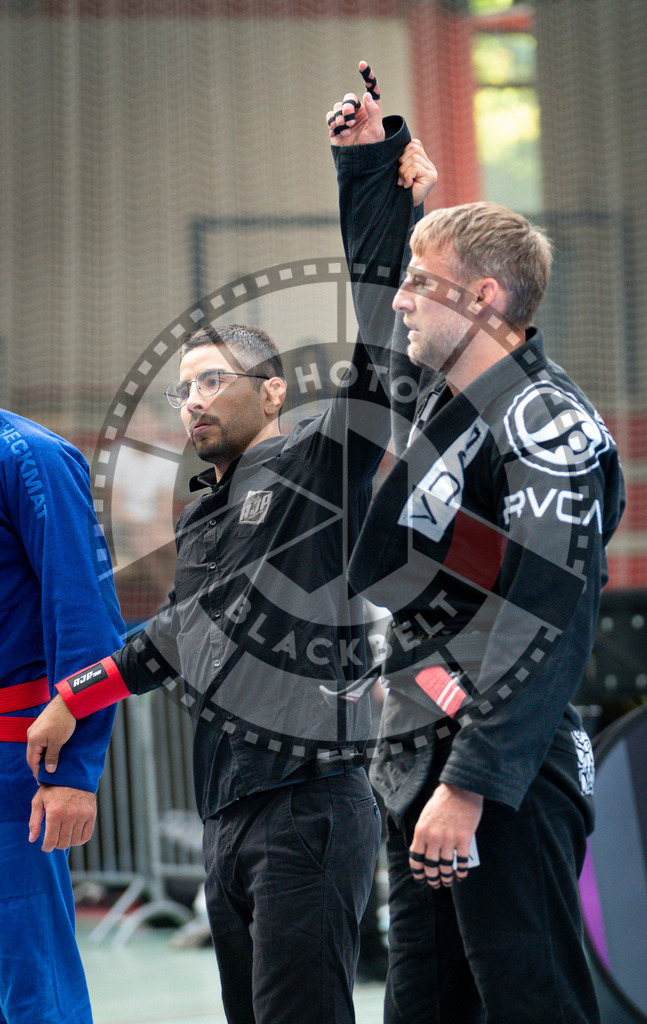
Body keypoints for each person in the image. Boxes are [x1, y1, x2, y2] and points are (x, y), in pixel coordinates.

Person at [27, 68, 437, 1024]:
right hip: (230, 812)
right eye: (183, 388)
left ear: (275, 391)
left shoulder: (316, 467)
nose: (195, 400)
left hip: (309, 801)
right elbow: (185, 628)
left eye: (216, 381)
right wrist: (79, 691)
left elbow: (381, 347)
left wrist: (365, 169)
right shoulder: (206, 507)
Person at [328, 70, 626, 1023]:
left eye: (429, 284)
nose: (404, 299)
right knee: (425, 1005)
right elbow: (384, 299)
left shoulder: (544, 424)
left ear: (486, 296)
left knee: (528, 1003)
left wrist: (467, 786)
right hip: (421, 753)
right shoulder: (447, 392)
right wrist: (373, 166)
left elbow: (545, 618)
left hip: (504, 771)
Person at [0, 409, 124, 1024]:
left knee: (29, 976)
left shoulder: (29, 457)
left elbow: (85, 620)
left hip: (14, 768)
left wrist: (73, 771)